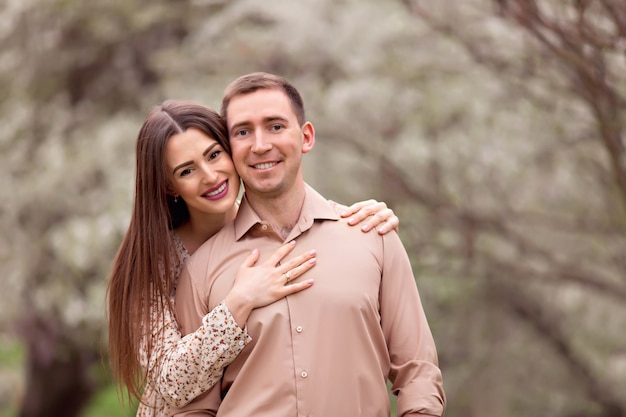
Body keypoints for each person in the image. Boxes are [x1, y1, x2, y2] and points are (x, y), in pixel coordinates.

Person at [172, 73, 446, 417]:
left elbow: (417, 370)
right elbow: (193, 409)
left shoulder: (373, 237)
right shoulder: (201, 270)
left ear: (305, 137)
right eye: (243, 132)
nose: (259, 145)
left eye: (275, 126)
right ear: (230, 149)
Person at [106, 99, 401, 417]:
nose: (210, 176)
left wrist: (355, 219)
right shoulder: (152, 267)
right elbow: (172, 383)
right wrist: (237, 304)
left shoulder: (272, 228)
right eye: (187, 170)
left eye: (214, 155)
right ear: (169, 186)